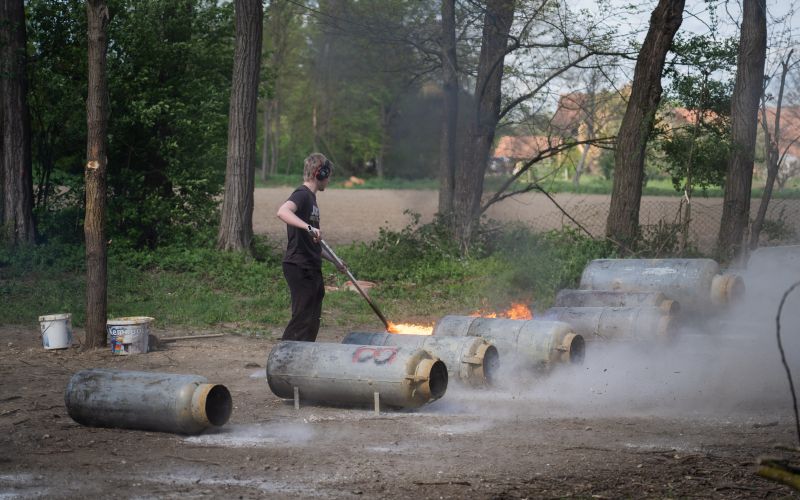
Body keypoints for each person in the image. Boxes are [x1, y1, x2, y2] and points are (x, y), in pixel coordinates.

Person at [276, 153, 344, 342]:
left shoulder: (312, 201)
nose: (329, 180)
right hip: (299, 265)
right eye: (328, 175)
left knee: (313, 320)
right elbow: (282, 211)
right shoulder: (302, 195)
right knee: (302, 319)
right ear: (318, 173)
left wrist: (335, 261)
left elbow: (314, 242)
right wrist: (308, 226)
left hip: (312, 266)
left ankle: (303, 357)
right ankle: (285, 358)